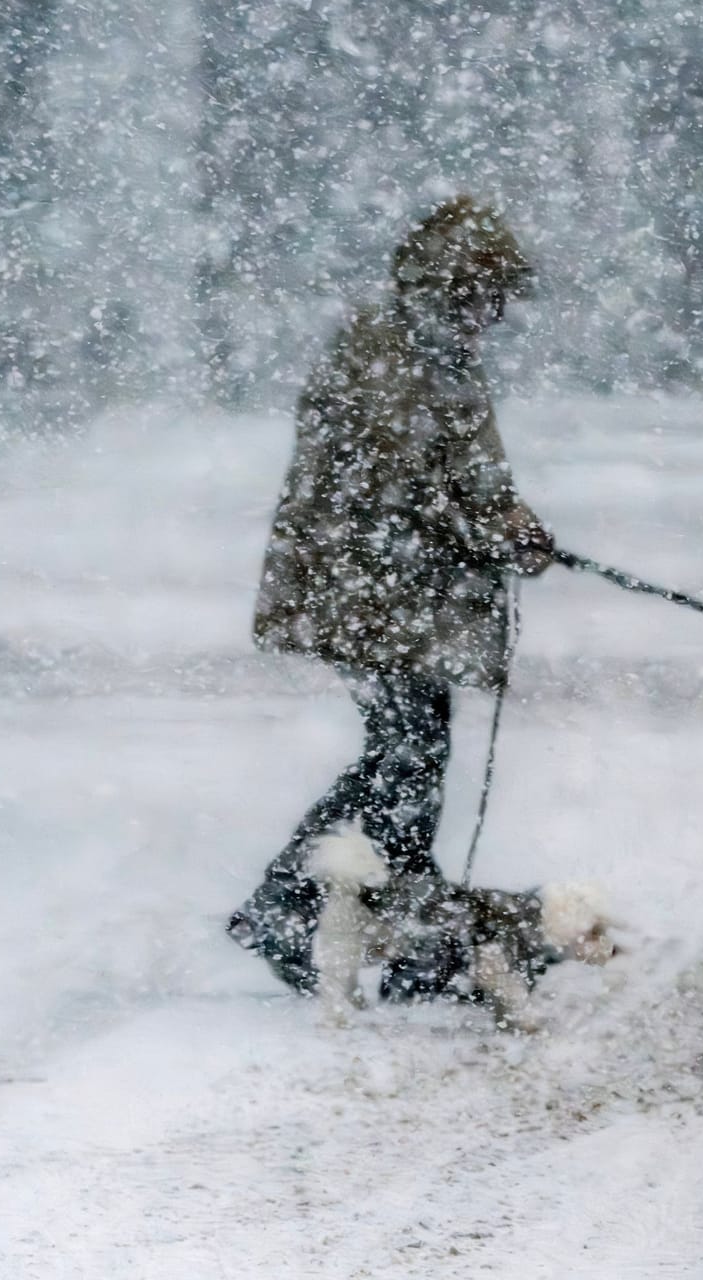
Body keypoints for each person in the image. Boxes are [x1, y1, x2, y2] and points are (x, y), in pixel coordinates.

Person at [227, 197, 554, 993]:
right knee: (405, 753)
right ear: (449, 287)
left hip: (394, 591)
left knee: (408, 751)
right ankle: (303, 902)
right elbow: (404, 479)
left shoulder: (435, 353)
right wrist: (491, 530)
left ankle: (386, 910)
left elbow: (455, 474)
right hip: (369, 589)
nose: (496, 311)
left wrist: (506, 521)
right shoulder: (391, 351)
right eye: (485, 294)